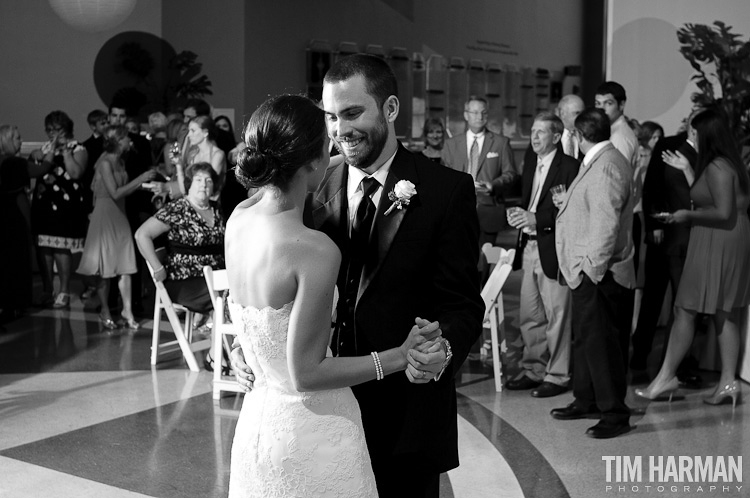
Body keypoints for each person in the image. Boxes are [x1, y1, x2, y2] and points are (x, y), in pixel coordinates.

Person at [232, 54, 484, 497]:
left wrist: (442, 350)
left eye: (352, 113)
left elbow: (462, 303)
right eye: (330, 116)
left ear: (390, 108)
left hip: (406, 416)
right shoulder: (307, 186)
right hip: (321, 415)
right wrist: (246, 346)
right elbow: (273, 282)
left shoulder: (446, 191)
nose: (338, 129)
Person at [636, 108, 750, 407]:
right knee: (722, 312)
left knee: (686, 308)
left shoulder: (718, 167)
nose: (689, 135)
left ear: (706, 134)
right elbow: (714, 200)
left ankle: (666, 378)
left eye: (693, 131)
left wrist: (686, 214)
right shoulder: (723, 163)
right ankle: (727, 382)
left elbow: (723, 212)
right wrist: (688, 173)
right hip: (721, 237)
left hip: (717, 239)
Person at [552, 107, 635, 439]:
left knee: (602, 345)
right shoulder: (603, 159)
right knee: (587, 339)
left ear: (578, 136)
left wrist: (591, 271)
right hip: (585, 269)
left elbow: (606, 226)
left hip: (598, 272)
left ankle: (614, 413)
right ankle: (586, 399)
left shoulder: (607, 166)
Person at [506, 112, 579, 397]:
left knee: (557, 315)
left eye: (541, 132)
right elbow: (530, 200)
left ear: (557, 137)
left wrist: (537, 218)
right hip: (530, 245)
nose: (534, 137)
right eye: (533, 131)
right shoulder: (530, 160)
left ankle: (558, 375)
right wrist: (520, 216)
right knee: (530, 314)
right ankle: (534, 369)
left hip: (554, 246)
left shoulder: (570, 166)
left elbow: (570, 210)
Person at [630, 111, 700, 384]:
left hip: (694, 236)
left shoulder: (710, 150)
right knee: (653, 299)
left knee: (686, 304)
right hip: (664, 233)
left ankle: (676, 365)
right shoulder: (668, 144)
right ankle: (639, 358)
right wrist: (654, 223)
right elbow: (652, 187)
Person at [77, 126, 156, 328]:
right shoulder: (104, 162)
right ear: (118, 141)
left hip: (119, 215)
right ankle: (104, 310)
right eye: (126, 138)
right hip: (105, 214)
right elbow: (115, 192)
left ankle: (127, 310)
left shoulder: (120, 161)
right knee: (107, 267)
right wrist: (141, 179)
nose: (129, 141)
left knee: (125, 265)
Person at [441, 95, 517, 280]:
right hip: (458, 211)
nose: (479, 116)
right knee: (459, 259)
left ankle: (483, 300)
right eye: (474, 112)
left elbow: (510, 174)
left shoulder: (500, 143)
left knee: (484, 260)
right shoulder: (451, 144)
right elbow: (443, 175)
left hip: (488, 210)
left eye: (483, 112)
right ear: (466, 115)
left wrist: (493, 185)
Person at [135, 162, 225, 316]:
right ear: (189, 183)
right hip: (184, 280)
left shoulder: (216, 209)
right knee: (230, 295)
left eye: (208, 180)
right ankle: (220, 329)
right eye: (198, 180)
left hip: (217, 275)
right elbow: (141, 235)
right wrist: (157, 267)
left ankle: (221, 331)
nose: (203, 184)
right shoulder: (178, 208)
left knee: (241, 288)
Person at [29, 111, 89, 308]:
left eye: (57, 130)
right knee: (43, 246)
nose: (53, 134)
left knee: (61, 247)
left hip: (65, 206)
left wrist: (64, 152)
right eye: (50, 130)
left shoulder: (78, 148)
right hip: (43, 203)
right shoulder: (44, 148)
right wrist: (40, 154)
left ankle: (63, 290)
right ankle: (47, 289)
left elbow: (75, 173)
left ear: (67, 129)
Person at [0, 124, 33, 322]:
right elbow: (38, 170)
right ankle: (14, 303)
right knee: (15, 261)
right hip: (12, 218)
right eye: (17, 138)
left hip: (5, 217)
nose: (21, 141)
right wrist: (49, 155)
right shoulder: (14, 164)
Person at [556, 94, 585, 161]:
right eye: (577, 113)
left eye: (583, 113)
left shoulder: (587, 135)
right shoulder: (550, 134)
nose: (581, 117)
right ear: (562, 113)